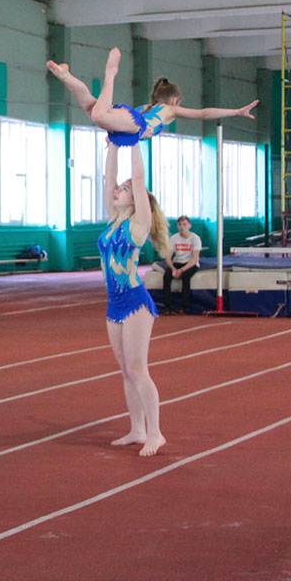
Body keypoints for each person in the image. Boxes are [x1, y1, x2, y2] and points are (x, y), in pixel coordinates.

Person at [99, 141, 169, 457]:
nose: (118, 190)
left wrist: (135, 142)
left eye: (124, 189)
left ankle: (155, 433)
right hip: (113, 304)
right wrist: (113, 145)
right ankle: (137, 429)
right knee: (125, 370)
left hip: (135, 304)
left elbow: (138, 180)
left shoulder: (137, 225)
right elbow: (107, 178)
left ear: (137, 200)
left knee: (139, 369)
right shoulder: (114, 218)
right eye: (120, 189)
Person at [47, 47, 258, 145]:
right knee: (97, 115)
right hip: (135, 124)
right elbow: (203, 113)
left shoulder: (147, 106)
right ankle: (111, 73)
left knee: (89, 104)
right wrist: (237, 111)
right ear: (175, 99)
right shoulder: (170, 109)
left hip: (127, 123)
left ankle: (66, 77)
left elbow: (125, 124)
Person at [162, 216, 202, 314]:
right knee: (166, 276)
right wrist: (173, 268)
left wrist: (181, 270)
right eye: (179, 224)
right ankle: (168, 306)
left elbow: (195, 259)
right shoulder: (174, 238)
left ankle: (185, 307)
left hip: (190, 263)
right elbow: (167, 256)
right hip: (177, 262)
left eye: (184, 224)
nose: (182, 227)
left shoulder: (195, 238)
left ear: (189, 226)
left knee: (186, 277)